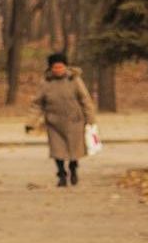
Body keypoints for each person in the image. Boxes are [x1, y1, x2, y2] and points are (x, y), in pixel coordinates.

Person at [25, 53, 95, 187]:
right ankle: (61, 173)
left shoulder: (74, 80)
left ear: (65, 67)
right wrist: (30, 122)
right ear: (51, 68)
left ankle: (73, 169)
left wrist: (90, 119)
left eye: (60, 67)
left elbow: (85, 100)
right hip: (54, 123)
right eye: (55, 68)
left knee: (75, 151)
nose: (58, 70)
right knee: (57, 151)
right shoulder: (46, 82)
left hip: (75, 121)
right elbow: (37, 104)